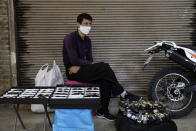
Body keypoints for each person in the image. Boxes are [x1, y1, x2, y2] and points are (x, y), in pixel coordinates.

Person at [63, 13, 142, 121]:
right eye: (85, 23)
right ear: (78, 24)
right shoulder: (69, 38)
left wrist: (82, 65)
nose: (88, 26)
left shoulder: (87, 40)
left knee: (106, 78)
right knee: (105, 67)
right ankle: (123, 93)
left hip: (82, 70)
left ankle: (102, 111)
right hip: (72, 72)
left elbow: (90, 60)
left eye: (90, 24)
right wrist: (84, 64)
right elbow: (73, 60)